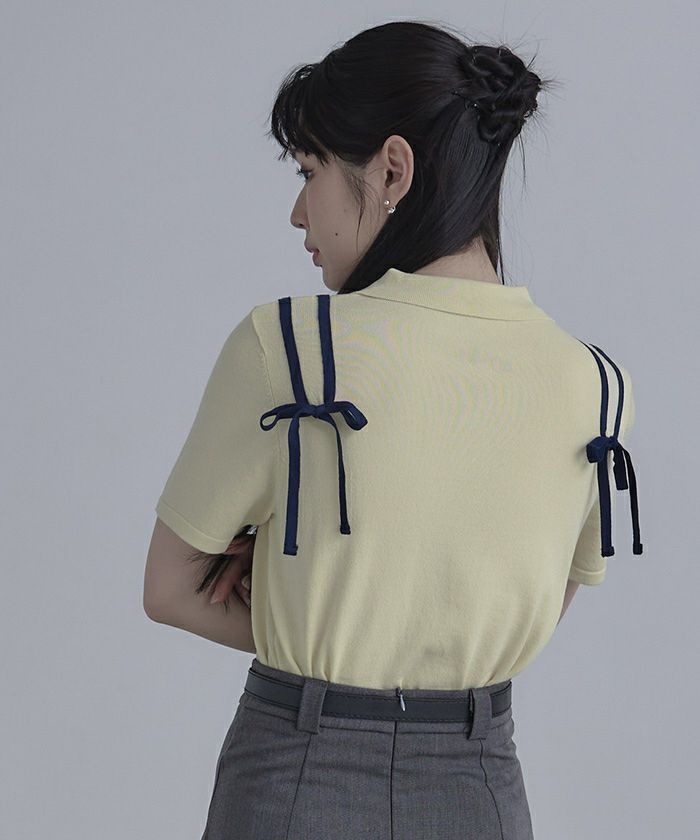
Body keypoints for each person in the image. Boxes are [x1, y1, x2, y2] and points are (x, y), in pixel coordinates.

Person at [146, 19, 643, 840]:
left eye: (309, 171)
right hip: (481, 785)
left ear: (392, 169)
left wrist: (297, 587)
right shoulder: (594, 383)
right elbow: (534, 606)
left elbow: (170, 590)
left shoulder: (289, 347)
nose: (298, 212)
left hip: (293, 773)